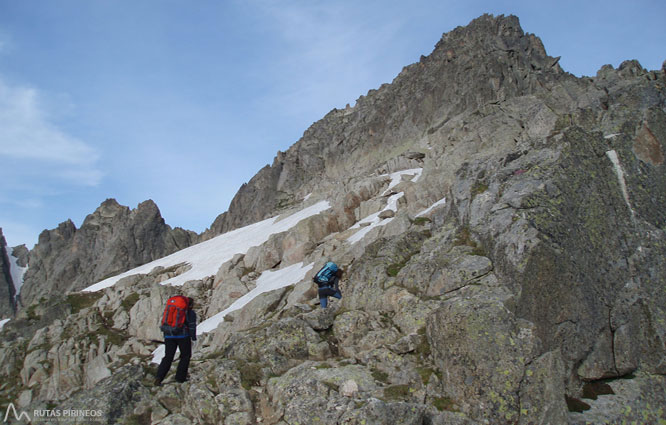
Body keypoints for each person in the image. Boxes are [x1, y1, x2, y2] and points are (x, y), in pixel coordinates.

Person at [155, 296, 197, 385]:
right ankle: (180, 378)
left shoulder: (172, 309)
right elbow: (192, 326)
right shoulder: (190, 313)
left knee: (168, 357)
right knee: (185, 356)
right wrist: (193, 337)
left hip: (169, 335)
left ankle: (159, 377)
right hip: (183, 336)